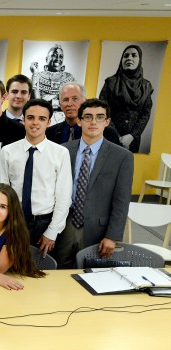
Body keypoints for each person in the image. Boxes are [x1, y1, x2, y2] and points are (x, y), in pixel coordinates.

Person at [57, 99, 134, 268]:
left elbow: (121, 200)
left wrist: (112, 236)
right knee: (58, 270)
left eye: (99, 117)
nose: (93, 122)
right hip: (64, 224)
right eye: (88, 117)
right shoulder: (62, 150)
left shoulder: (122, 157)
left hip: (98, 229)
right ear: (79, 121)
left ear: (107, 121)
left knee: (90, 274)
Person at [0, 99, 72, 258]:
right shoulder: (8, 151)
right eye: (30, 117)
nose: (35, 123)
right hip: (14, 220)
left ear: (49, 122)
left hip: (44, 223)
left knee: (41, 270)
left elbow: (64, 197)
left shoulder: (60, 153)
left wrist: (52, 232)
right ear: (23, 120)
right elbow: (0, 191)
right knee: (11, 266)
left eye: (42, 118)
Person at [99, 44, 154, 153]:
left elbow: (145, 114)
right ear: (121, 60)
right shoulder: (110, 82)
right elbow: (102, 109)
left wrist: (132, 136)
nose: (129, 58)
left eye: (134, 55)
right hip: (109, 136)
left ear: (139, 60)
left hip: (132, 140)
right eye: (126, 56)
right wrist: (116, 136)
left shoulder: (146, 86)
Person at [46, 83, 122, 146]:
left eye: (75, 99)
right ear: (60, 104)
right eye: (66, 100)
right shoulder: (49, 133)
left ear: (84, 102)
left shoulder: (107, 132)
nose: (70, 104)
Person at [29, 44, 76, 123]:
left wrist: (49, 101)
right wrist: (35, 74)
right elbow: (36, 101)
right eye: (54, 55)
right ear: (47, 59)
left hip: (63, 118)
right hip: (41, 117)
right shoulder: (37, 76)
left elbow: (73, 102)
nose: (58, 59)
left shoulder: (69, 78)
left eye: (61, 56)